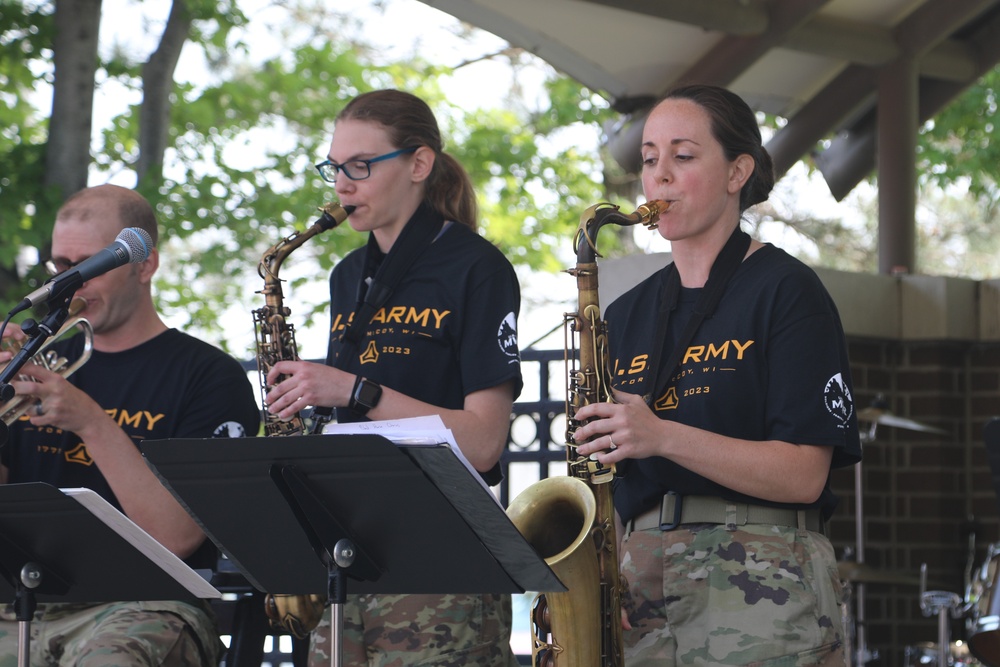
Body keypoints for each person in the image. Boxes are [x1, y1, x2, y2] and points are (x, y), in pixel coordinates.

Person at [571, 84, 862, 666]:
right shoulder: (624, 313)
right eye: (650, 159)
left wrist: (662, 435)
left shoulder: (787, 291)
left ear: (737, 172)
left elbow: (805, 474)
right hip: (643, 586)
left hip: (764, 580)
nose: (660, 177)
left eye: (683, 156)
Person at [264, 89, 523, 667]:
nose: (341, 184)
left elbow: (483, 443)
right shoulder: (346, 274)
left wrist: (357, 391)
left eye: (360, 166)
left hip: (444, 555)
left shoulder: (477, 268)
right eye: (334, 167)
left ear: (419, 164)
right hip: (351, 552)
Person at [0, 184, 261, 666]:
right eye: (60, 267)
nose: (68, 285)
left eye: (88, 267)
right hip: (20, 601)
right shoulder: (33, 365)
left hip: (146, 604)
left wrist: (90, 421)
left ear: (145, 265)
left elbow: (178, 537)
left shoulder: (209, 376)